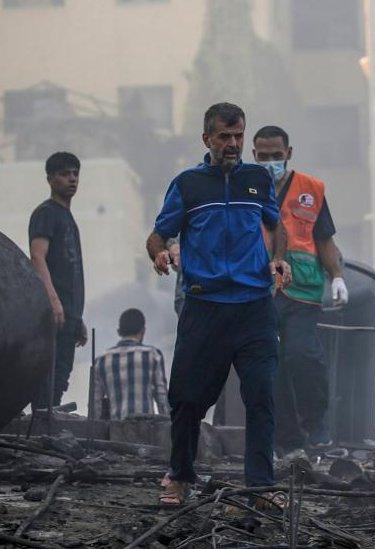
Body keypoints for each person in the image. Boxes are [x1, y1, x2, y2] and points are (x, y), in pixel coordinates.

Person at [146, 102, 292, 507]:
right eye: (224, 136)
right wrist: (160, 255)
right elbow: (158, 236)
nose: (232, 144)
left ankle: (261, 486)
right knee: (188, 398)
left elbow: (275, 226)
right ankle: (179, 476)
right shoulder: (188, 184)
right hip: (204, 307)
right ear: (206, 138)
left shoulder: (257, 179)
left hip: (254, 308)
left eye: (238, 135)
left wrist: (279, 259)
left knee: (261, 395)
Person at [251, 125, 347, 458]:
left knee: (302, 353)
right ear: (253, 156)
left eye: (276, 156)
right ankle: (289, 441)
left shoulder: (311, 190)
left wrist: (337, 277)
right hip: (258, 290)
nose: (270, 162)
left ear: (288, 153)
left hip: (303, 290)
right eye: (263, 157)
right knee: (269, 364)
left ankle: (316, 422)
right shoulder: (243, 188)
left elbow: (324, 240)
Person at [28, 152, 88, 409]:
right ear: (51, 179)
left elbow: (69, 270)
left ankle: (47, 420)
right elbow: (37, 257)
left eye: (75, 173)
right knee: (50, 374)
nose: (72, 179)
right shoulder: (46, 213)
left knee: (61, 373)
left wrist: (77, 316)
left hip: (68, 312)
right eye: (65, 174)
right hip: (54, 312)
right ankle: (42, 423)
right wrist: (53, 301)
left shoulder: (67, 217)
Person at [91, 309, 169, 420]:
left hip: (116, 432)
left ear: (119, 332)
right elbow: (162, 399)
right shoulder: (153, 355)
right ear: (143, 331)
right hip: (147, 431)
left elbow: (95, 405)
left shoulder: (101, 360)